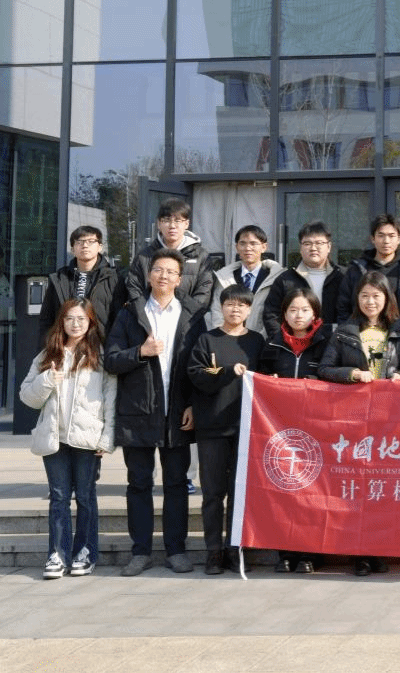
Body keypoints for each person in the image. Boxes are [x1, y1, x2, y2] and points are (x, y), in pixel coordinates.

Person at [105, 248, 203, 576]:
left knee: (176, 483)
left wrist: (192, 404)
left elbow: (199, 364)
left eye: (170, 271)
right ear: (149, 276)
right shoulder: (129, 313)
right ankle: (141, 551)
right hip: (138, 411)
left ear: (179, 279)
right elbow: (111, 360)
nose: (164, 276)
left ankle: (176, 550)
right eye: (158, 270)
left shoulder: (192, 314)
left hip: (177, 412)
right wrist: (140, 351)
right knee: (139, 483)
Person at [320, 271, 400, 577]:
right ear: (356, 299)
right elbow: (325, 368)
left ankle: (380, 548)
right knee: (357, 489)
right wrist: (352, 374)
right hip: (355, 420)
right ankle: (359, 554)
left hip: (390, 422)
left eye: (376, 295)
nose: (370, 301)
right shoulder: (344, 331)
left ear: (387, 298)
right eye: (364, 296)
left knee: (383, 489)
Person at [20, 299, 116, 579]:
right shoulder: (48, 353)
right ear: (61, 322)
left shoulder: (100, 355)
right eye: (69, 318)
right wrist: (48, 379)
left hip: (87, 436)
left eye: (81, 319)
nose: (75, 324)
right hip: (55, 437)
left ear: (91, 323)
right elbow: (27, 396)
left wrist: (107, 437)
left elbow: (111, 397)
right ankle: (57, 554)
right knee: (59, 498)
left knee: (85, 496)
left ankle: (85, 552)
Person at [186, 284, 265, 575]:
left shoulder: (256, 341)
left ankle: (235, 550)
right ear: (221, 307)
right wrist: (228, 371)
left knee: (239, 493)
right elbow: (196, 374)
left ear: (249, 309)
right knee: (212, 494)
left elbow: (267, 378)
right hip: (212, 427)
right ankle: (213, 552)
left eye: (241, 305)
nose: (235, 309)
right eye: (230, 304)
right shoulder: (207, 339)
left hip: (246, 428)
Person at [257, 287, 332, 574]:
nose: (298, 315)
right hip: (281, 431)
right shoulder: (272, 344)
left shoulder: (327, 343)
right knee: (284, 492)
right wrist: (270, 380)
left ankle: (310, 552)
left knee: (313, 493)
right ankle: (285, 552)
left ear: (315, 314)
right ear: (284, 315)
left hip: (317, 429)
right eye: (292, 310)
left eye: (304, 310)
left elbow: (333, 374)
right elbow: (260, 378)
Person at [123, 197, 214, 313]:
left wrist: (185, 317)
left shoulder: (201, 256)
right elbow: (134, 289)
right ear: (159, 224)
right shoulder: (144, 256)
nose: (172, 226)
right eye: (166, 220)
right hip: (150, 318)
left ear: (186, 224)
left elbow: (204, 292)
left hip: (188, 320)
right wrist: (146, 316)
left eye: (178, 221)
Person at [335, 213, 400, 334]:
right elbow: (343, 308)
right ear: (373, 239)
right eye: (381, 235)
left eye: (391, 236)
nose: (386, 241)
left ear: (399, 239)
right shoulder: (357, 270)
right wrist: (348, 335)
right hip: (363, 336)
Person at [262, 220, 344, 341]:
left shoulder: (342, 276)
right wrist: (283, 341)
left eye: (319, 243)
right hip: (295, 344)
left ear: (329, 247)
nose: (313, 248)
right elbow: (271, 314)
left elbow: (350, 313)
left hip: (334, 343)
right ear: (300, 248)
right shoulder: (285, 279)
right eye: (307, 243)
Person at [38, 225, 120, 344]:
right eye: (79, 242)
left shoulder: (114, 278)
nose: (85, 245)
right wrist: (46, 349)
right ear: (73, 249)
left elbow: (120, 318)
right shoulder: (60, 279)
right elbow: (47, 320)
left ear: (100, 247)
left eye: (91, 241)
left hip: (101, 346)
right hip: (66, 346)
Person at [207, 225, 282, 333]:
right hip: (229, 339)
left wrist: (262, 339)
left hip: (264, 340)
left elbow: (277, 315)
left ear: (264, 247)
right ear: (237, 247)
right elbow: (217, 312)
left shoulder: (275, 278)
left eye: (253, 243)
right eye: (243, 243)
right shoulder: (224, 278)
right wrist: (223, 337)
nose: (248, 248)